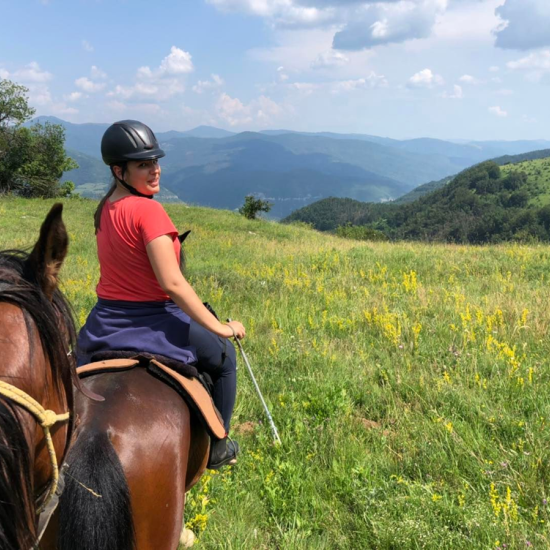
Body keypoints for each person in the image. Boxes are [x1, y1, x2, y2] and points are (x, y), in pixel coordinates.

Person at [76, 119, 245, 469]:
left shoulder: (105, 208)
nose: (155, 170)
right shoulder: (149, 211)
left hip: (105, 321)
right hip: (153, 318)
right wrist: (221, 328)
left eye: (155, 161)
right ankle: (219, 445)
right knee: (225, 359)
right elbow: (173, 284)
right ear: (118, 170)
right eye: (143, 164)